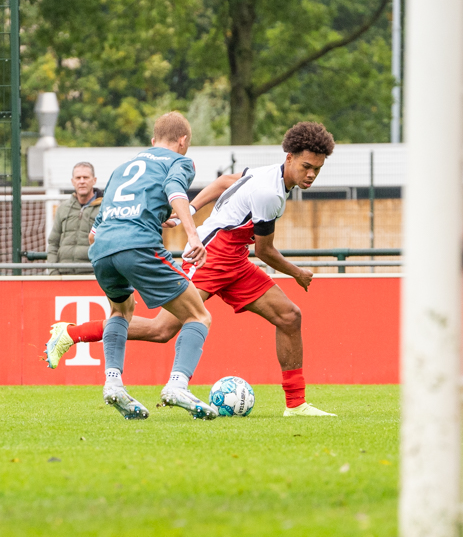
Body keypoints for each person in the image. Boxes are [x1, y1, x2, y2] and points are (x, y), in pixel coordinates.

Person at [46, 121, 337, 417]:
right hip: (211, 257)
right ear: (289, 158)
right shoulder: (269, 192)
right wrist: (297, 272)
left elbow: (225, 181)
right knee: (163, 329)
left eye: (317, 168)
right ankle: (73, 333)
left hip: (235, 260)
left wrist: (195, 209)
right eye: (306, 166)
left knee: (289, 316)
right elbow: (264, 250)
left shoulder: (266, 174)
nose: (311, 174)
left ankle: (296, 404)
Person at [46, 111, 217, 421]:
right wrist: (192, 235)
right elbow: (176, 191)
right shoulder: (179, 161)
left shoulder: (123, 168)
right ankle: (178, 384)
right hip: (137, 246)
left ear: (152, 141)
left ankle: (113, 383)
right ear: (183, 141)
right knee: (198, 315)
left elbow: (94, 230)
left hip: (101, 251)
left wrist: (152, 216)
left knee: (120, 312)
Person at [46, 162, 102, 275]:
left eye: (86, 177)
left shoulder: (105, 208)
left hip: (92, 276)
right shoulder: (63, 208)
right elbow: (53, 243)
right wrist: (53, 272)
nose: (82, 181)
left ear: (94, 180)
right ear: (73, 181)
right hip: (63, 276)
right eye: (78, 178)